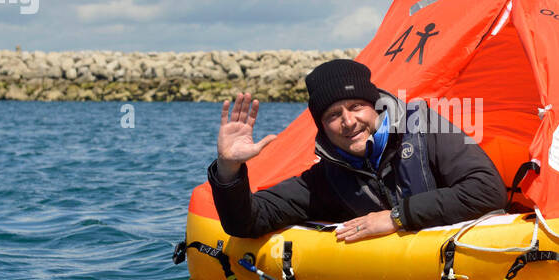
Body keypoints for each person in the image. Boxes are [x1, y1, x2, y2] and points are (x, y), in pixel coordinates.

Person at [208, 59, 506, 242]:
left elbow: (487, 191)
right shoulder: (324, 180)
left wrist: (396, 217)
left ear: (374, 106)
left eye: (356, 107)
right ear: (322, 126)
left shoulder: (427, 129)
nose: (348, 121)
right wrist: (228, 168)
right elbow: (246, 223)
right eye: (333, 115)